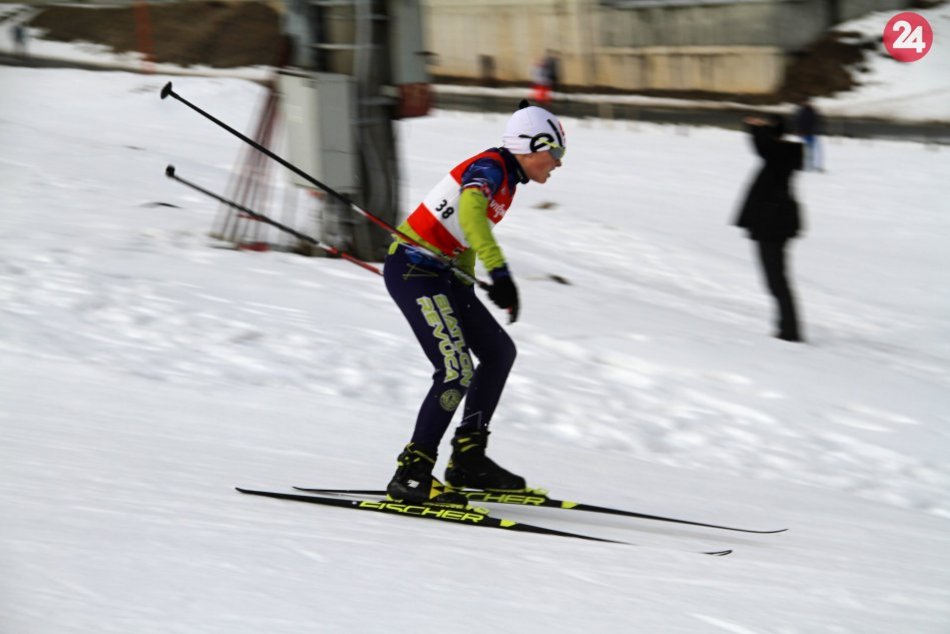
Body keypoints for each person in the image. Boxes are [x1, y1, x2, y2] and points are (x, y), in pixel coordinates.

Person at [383, 100, 566, 506]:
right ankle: (411, 473)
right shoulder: (489, 168)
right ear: (531, 145)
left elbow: (462, 235)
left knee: (499, 352)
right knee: (455, 368)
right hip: (414, 269)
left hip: (443, 274)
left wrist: (466, 280)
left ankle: (468, 459)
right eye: (554, 153)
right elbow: (470, 215)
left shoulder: (508, 178)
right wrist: (499, 272)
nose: (557, 163)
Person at [735, 114, 805, 343]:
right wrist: (758, 128)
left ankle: (790, 332)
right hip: (774, 224)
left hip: (773, 225)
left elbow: (764, 147)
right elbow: (763, 146)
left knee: (777, 281)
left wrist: (757, 128)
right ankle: (787, 328)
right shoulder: (780, 154)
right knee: (776, 281)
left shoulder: (781, 154)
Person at [794, 98, 823, 171]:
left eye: (809, 102)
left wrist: (817, 130)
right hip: (805, 134)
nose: (808, 103)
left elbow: (817, 121)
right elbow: (798, 122)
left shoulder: (813, 110)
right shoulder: (801, 111)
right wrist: (799, 131)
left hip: (813, 133)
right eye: (805, 102)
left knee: (814, 150)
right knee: (807, 150)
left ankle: (813, 165)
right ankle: (807, 166)